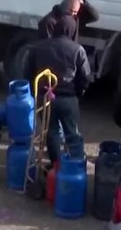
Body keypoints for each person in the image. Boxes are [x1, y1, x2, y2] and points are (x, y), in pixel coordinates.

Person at [25, 15, 91, 165]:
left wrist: (36, 93)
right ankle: (75, 166)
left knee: (51, 132)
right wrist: (79, 93)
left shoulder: (38, 46)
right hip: (68, 99)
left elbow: (27, 72)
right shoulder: (77, 49)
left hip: (45, 98)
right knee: (72, 133)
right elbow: (85, 77)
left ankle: (55, 165)